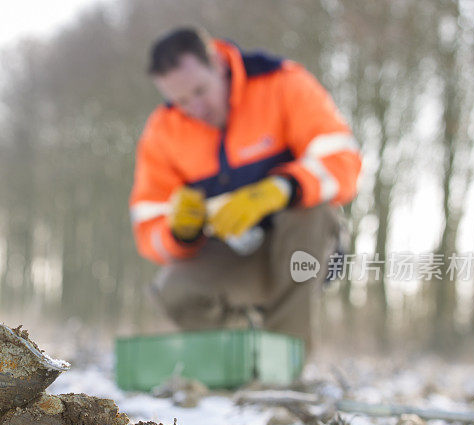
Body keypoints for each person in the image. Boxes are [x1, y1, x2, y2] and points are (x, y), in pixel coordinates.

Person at [129, 27, 362, 348]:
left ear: (217, 63)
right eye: (180, 100)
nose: (195, 108)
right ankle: (243, 353)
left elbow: (343, 158)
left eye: (200, 91)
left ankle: (286, 362)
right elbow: (147, 222)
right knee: (174, 291)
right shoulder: (162, 131)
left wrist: (282, 188)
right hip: (233, 255)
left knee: (309, 215)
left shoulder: (282, 82)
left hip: (307, 248)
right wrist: (180, 232)